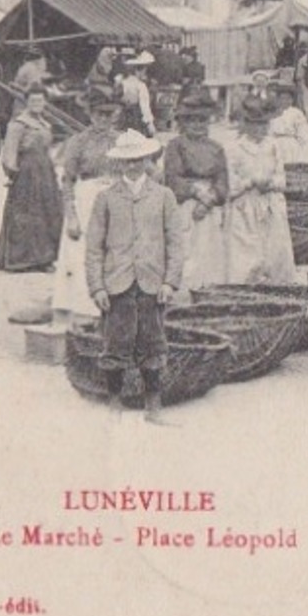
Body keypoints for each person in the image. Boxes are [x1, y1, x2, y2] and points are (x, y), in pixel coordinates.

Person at [84, 130, 186, 424]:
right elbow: (94, 247)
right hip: (117, 282)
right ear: (119, 164)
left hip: (152, 281)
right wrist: (97, 287)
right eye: (127, 161)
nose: (133, 166)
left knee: (153, 343)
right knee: (115, 344)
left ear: (147, 160)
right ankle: (113, 407)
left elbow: (175, 243)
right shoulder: (105, 198)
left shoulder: (163, 196)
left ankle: (153, 409)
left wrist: (170, 281)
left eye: (138, 160)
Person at [50, 88, 128, 319]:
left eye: (108, 114)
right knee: (80, 254)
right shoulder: (78, 142)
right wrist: (71, 215)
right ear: (90, 115)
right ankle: (81, 310)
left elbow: (145, 169)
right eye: (98, 114)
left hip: (116, 200)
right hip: (87, 200)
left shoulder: (122, 140)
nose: (103, 119)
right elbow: (68, 180)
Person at [224, 96, 297, 285]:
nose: (261, 130)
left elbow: (282, 178)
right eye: (255, 125)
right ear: (246, 125)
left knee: (276, 252)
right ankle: (245, 290)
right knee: (247, 256)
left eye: (264, 125)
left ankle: (279, 287)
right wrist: (249, 182)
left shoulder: (273, 146)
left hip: (270, 204)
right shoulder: (235, 148)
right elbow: (229, 183)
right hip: (245, 206)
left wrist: (272, 183)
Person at [162, 92, 231, 292]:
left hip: (209, 207)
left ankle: (209, 295)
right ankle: (183, 295)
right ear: (183, 123)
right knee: (186, 253)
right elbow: (172, 179)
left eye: (202, 120)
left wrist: (210, 199)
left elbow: (222, 180)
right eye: (192, 121)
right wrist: (195, 192)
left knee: (211, 253)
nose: (198, 125)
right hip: (185, 206)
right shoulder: (175, 146)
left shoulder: (216, 148)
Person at [0, 84, 63, 273]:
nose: (37, 104)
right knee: (26, 215)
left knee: (47, 213)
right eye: (33, 100)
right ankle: (21, 259)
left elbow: (48, 149)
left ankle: (44, 258)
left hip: (45, 173)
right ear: (26, 102)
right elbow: (9, 152)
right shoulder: (18, 124)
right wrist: (11, 173)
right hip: (26, 174)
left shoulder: (45, 124)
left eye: (40, 100)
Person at [268, 83, 307, 165]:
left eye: (288, 98)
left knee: (290, 164)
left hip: (290, 142)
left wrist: (299, 144)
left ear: (292, 100)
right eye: (282, 98)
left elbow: (302, 131)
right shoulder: (273, 112)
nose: (285, 101)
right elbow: (269, 129)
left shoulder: (296, 113)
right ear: (278, 99)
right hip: (275, 142)